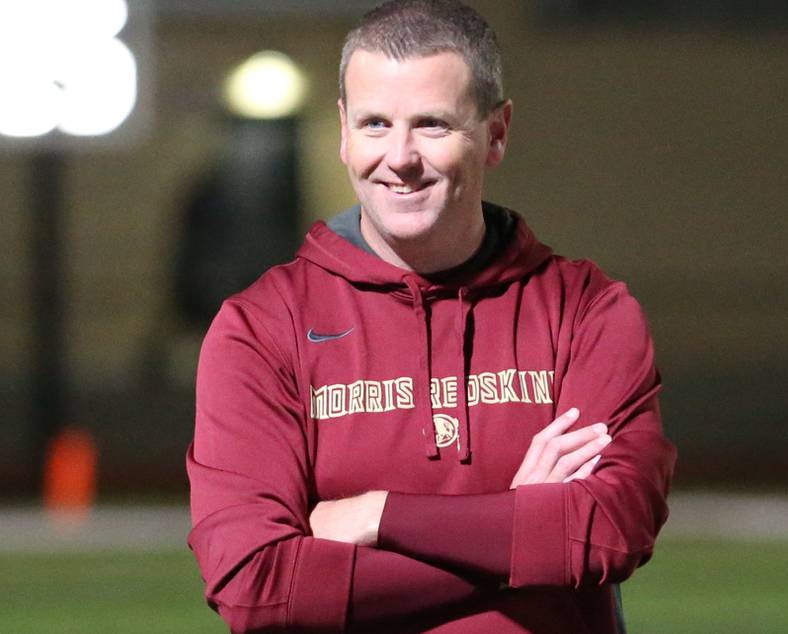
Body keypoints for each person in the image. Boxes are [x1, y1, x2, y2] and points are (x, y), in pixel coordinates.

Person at [186, 1, 677, 632]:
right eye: (374, 124)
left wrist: (380, 517)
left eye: (432, 125)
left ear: (496, 133)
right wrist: (520, 529)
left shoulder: (586, 311)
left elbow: (606, 534)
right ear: (342, 132)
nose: (400, 157)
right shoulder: (260, 329)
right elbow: (257, 590)